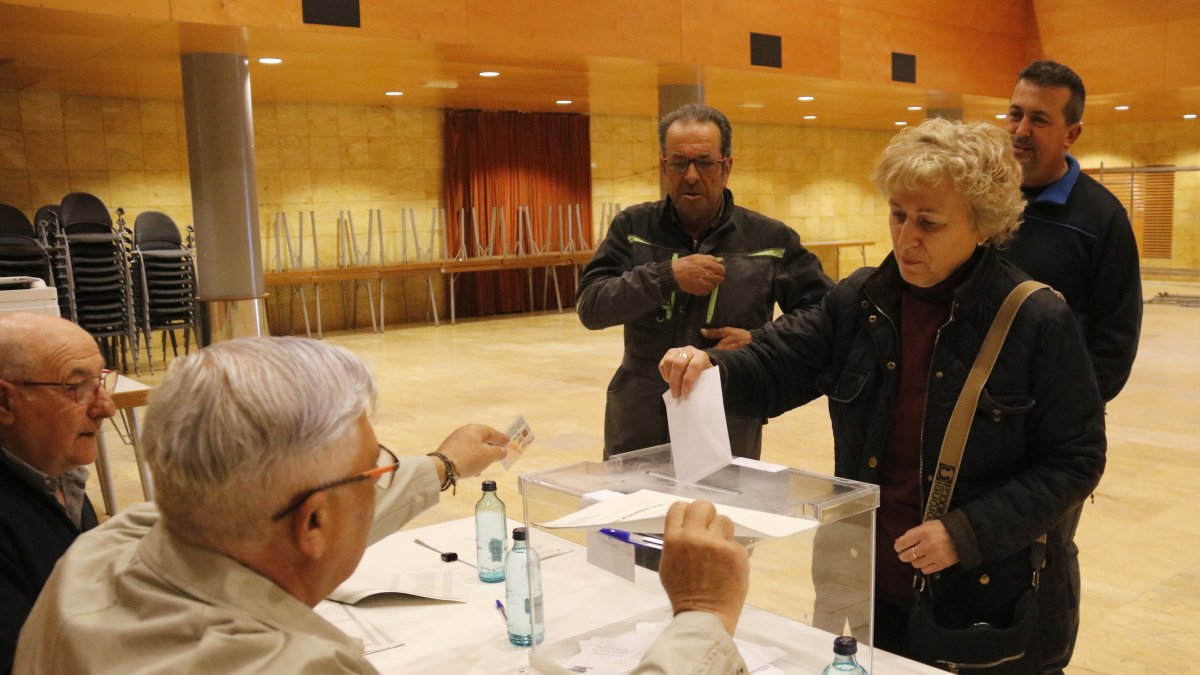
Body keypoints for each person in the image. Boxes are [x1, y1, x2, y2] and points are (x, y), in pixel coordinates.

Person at [14, 337, 751, 674]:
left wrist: (437, 466)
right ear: (312, 525)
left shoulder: (105, 548)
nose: (380, 479)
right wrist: (701, 620)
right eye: (374, 470)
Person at [660, 119, 1106, 673]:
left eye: (929, 222)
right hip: (874, 584)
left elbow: (1075, 460)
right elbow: (780, 361)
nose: (905, 238)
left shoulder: (1035, 319)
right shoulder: (861, 299)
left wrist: (964, 534)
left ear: (982, 223)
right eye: (898, 214)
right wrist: (711, 367)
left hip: (985, 597)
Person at [578, 103, 832, 460]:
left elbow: (824, 314)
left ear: (726, 167)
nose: (692, 175)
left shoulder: (769, 238)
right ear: (665, 166)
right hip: (640, 415)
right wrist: (668, 276)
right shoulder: (632, 227)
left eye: (705, 162)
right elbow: (591, 305)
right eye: (679, 163)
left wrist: (759, 339)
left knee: (722, 510)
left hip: (729, 410)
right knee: (631, 512)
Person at [1002, 59, 1142, 403]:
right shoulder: (979, 198)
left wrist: (1068, 410)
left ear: (1071, 134)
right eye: (1015, 114)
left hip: (1055, 418)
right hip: (978, 410)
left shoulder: (1103, 218)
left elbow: (1115, 341)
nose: (1021, 130)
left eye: (1039, 119)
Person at [0, 313, 117, 675]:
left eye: (100, 381)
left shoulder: (60, 479)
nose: (105, 408)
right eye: (76, 387)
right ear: (4, 402)